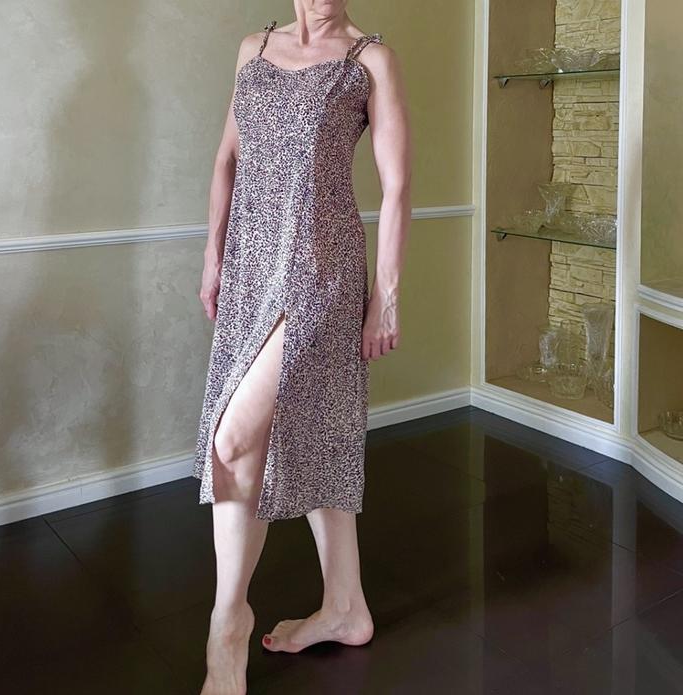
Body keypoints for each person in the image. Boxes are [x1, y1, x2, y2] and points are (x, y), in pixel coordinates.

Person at [194, 2, 411, 693]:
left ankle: (227, 622)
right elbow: (228, 158)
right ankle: (346, 606)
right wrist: (213, 254)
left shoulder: (370, 60)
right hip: (250, 267)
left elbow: (398, 186)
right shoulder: (252, 49)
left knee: (234, 439)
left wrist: (386, 296)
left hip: (322, 272)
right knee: (313, 427)